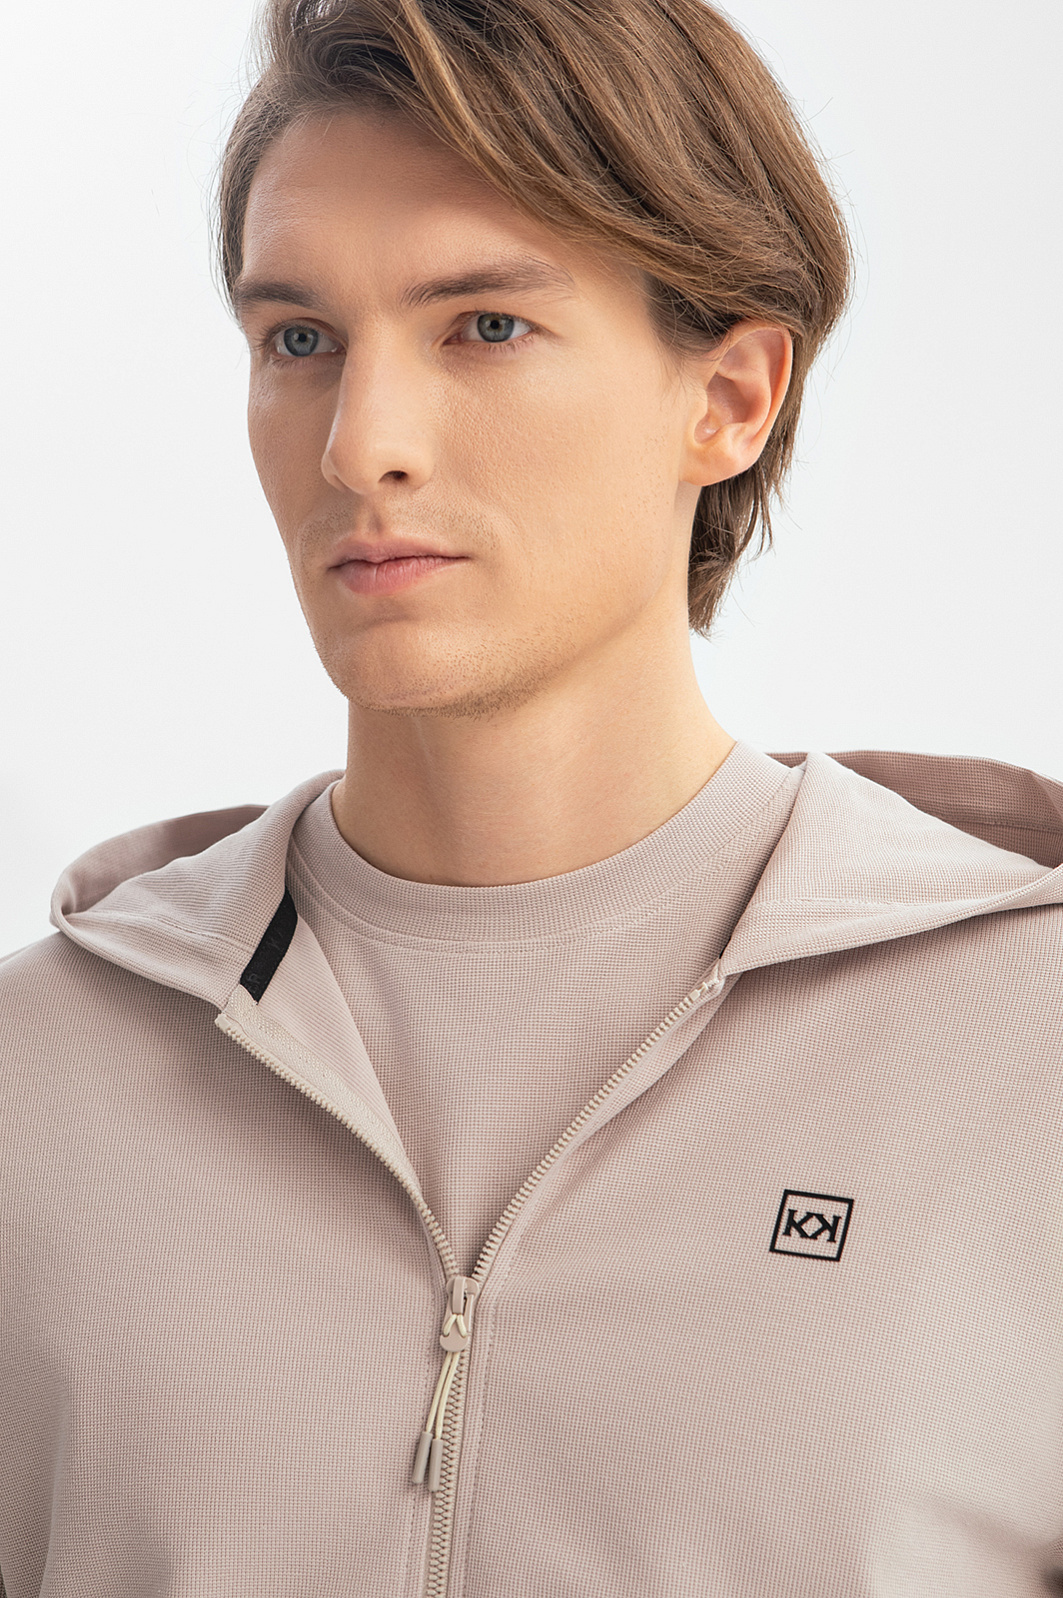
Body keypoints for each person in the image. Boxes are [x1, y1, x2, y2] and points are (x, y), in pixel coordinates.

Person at [1, 0, 1061, 1592]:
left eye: (483, 326)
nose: (361, 446)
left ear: (732, 396)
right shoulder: (36, 1082)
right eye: (301, 339)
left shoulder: (1029, 1053)